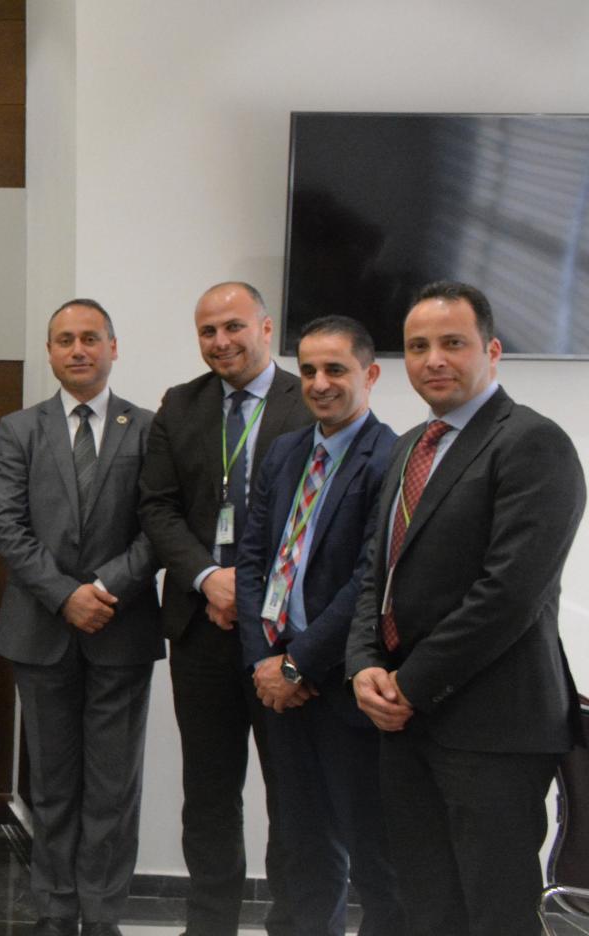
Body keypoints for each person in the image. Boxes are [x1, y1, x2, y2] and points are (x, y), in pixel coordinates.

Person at [346, 281, 584, 936]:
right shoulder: (410, 448)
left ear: (493, 350)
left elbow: (508, 594)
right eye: (418, 346)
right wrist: (364, 663)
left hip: (494, 730)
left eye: (453, 343)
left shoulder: (533, 444)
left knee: (496, 912)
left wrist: (409, 684)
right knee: (426, 907)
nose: (433, 360)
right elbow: (377, 575)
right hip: (408, 726)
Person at [137, 281, 310, 935]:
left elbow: (320, 516)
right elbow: (156, 505)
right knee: (208, 796)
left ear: (267, 329)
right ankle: (209, 925)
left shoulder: (310, 399)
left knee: (294, 795)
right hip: (201, 629)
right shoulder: (180, 405)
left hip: (286, 637)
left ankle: (294, 924)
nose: (221, 341)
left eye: (234, 327)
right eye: (208, 331)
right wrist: (209, 577)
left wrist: (257, 598)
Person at [0, 299, 159, 936]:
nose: (78, 349)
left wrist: (104, 588)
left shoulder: (147, 428)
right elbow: (6, 525)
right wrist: (66, 595)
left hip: (123, 629)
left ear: (113, 347)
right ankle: (56, 908)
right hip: (42, 630)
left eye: (91, 338)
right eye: (65, 340)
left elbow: (159, 526)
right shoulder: (19, 430)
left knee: (113, 789)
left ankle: (102, 912)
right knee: (54, 785)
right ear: (51, 352)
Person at [233, 314, 402, 936]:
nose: (319, 383)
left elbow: (369, 578)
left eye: (336, 369)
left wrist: (300, 662)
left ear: (371, 374)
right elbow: (252, 559)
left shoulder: (391, 456)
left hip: (340, 681)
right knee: (299, 842)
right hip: (278, 677)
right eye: (307, 370)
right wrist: (264, 660)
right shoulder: (285, 451)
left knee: (370, 848)